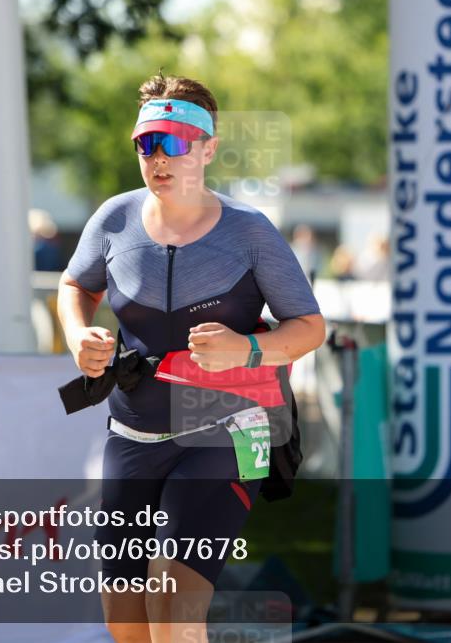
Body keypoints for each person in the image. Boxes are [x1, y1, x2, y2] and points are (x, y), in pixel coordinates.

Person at [57, 73, 325, 643]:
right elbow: (74, 286)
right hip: (133, 434)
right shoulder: (114, 219)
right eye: (146, 144)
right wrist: (80, 334)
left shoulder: (250, 231)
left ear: (207, 149)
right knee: (125, 621)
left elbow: (310, 328)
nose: (159, 157)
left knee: (173, 604)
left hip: (231, 427)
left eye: (174, 143)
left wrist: (247, 349)